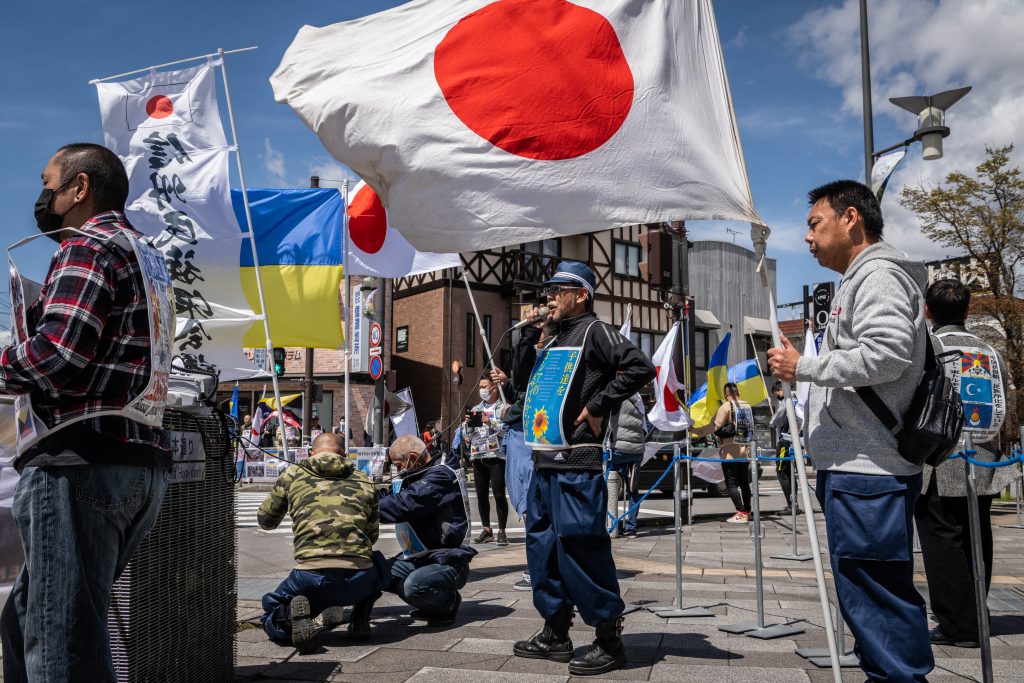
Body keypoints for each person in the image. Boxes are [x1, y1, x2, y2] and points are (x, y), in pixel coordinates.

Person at [0, 143, 172, 681]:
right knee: (31, 616)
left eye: (49, 184)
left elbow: (57, 354)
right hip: (137, 460)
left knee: (61, 642)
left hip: (79, 463)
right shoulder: (146, 254)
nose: (42, 195)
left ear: (79, 188)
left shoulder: (88, 247)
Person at [768, 179, 933, 681]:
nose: (807, 239)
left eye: (815, 224)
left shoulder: (877, 275)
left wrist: (807, 369)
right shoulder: (862, 279)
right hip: (863, 466)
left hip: (869, 468)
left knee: (875, 590)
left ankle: (898, 676)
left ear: (851, 218)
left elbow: (886, 353)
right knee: (869, 589)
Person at [513, 261, 655, 676]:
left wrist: (598, 406)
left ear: (581, 295)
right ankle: (555, 632)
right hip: (543, 457)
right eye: (548, 291)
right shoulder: (552, 336)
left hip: (577, 461)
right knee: (542, 547)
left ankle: (609, 639)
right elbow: (521, 386)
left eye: (558, 290)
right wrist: (526, 339)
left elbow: (639, 366)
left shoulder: (595, 331)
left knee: (581, 545)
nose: (549, 298)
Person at [914, 279, 1015, 648]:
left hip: (939, 460)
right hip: (984, 458)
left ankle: (958, 624)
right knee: (977, 537)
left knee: (942, 542)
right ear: (967, 311)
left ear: (927, 311)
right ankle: (975, 611)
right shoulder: (991, 352)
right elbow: (1007, 404)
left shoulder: (929, 347)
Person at [258, 432, 382, 651]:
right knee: (380, 564)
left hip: (309, 579)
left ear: (310, 453)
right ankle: (360, 615)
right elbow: (372, 536)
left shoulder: (293, 474)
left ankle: (288, 620)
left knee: (271, 608)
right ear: (345, 455)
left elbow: (266, 521)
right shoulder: (364, 479)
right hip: (359, 579)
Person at [364, 434, 476, 627]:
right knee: (373, 569)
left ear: (414, 457)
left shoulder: (441, 475)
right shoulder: (414, 474)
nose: (398, 470)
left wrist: (363, 506)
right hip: (418, 556)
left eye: (399, 465)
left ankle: (446, 602)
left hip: (447, 557)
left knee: (413, 586)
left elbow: (404, 505)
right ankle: (429, 600)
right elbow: (388, 495)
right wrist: (362, 494)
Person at [691, 383, 753, 523]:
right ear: (738, 392)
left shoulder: (726, 406)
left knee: (731, 483)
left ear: (726, 394)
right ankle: (747, 511)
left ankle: (741, 513)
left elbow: (714, 426)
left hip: (730, 451)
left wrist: (696, 431)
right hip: (745, 451)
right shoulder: (747, 406)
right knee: (744, 483)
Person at [461, 376, 509, 545]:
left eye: (484, 386)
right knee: (481, 495)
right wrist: (468, 425)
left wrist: (491, 424)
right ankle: (486, 529)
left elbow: (507, 432)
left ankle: (502, 530)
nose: (481, 389)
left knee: (498, 494)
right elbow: (467, 438)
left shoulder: (503, 407)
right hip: (479, 455)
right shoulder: (475, 409)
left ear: (493, 388)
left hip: (496, 456)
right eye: (480, 386)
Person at [607, 393, 647, 536]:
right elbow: (644, 427)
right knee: (633, 490)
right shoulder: (640, 400)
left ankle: (610, 525)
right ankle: (631, 528)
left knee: (609, 484)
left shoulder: (617, 397)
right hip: (637, 450)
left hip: (619, 448)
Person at [769, 380, 801, 513]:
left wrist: (770, 421)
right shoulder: (796, 400)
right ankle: (794, 504)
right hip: (794, 442)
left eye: (776, 391)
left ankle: (791, 505)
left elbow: (776, 419)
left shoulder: (788, 401)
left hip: (785, 442)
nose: (776, 395)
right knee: (789, 473)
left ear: (781, 389)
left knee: (782, 473)